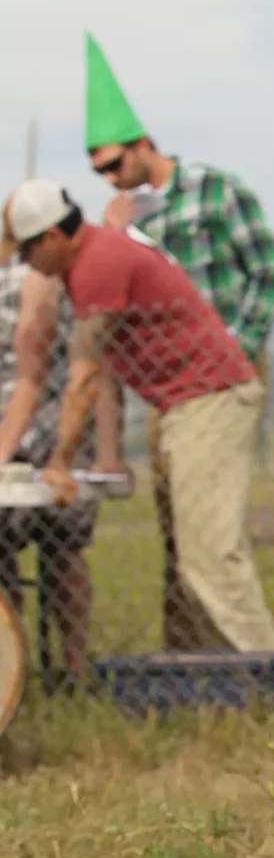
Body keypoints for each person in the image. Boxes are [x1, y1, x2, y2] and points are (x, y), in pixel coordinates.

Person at [9, 179, 274, 653]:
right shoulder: (92, 258)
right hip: (188, 404)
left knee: (210, 554)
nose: (27, 264)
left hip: (210, 400)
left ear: (52, 238)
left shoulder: (95, 264)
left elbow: (83, 377)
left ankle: (267, 669)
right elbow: (105, 373)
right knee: (188, 552)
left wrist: (59, 462)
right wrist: (106, 456)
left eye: (28, 253)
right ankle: (199, 666)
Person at [84, 32, 274, 650]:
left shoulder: (214, 190)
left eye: (115, 164)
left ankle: (249, 656)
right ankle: (189, 649)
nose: (110, 177)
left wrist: (234, 341)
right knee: (175, 522)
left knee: (212, 522)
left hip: (223, 375)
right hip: (167, 388)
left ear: (145, 145)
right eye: (99, 171)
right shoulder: (127, 222)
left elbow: (272, 272)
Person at [0, 199, 122, 682]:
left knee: (61, 547)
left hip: (55, 428)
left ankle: (55, 668)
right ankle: (33, 667)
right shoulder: (53, 273)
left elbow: (89, 370)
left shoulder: (40, 279)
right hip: (40, 429)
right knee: (42, 550)